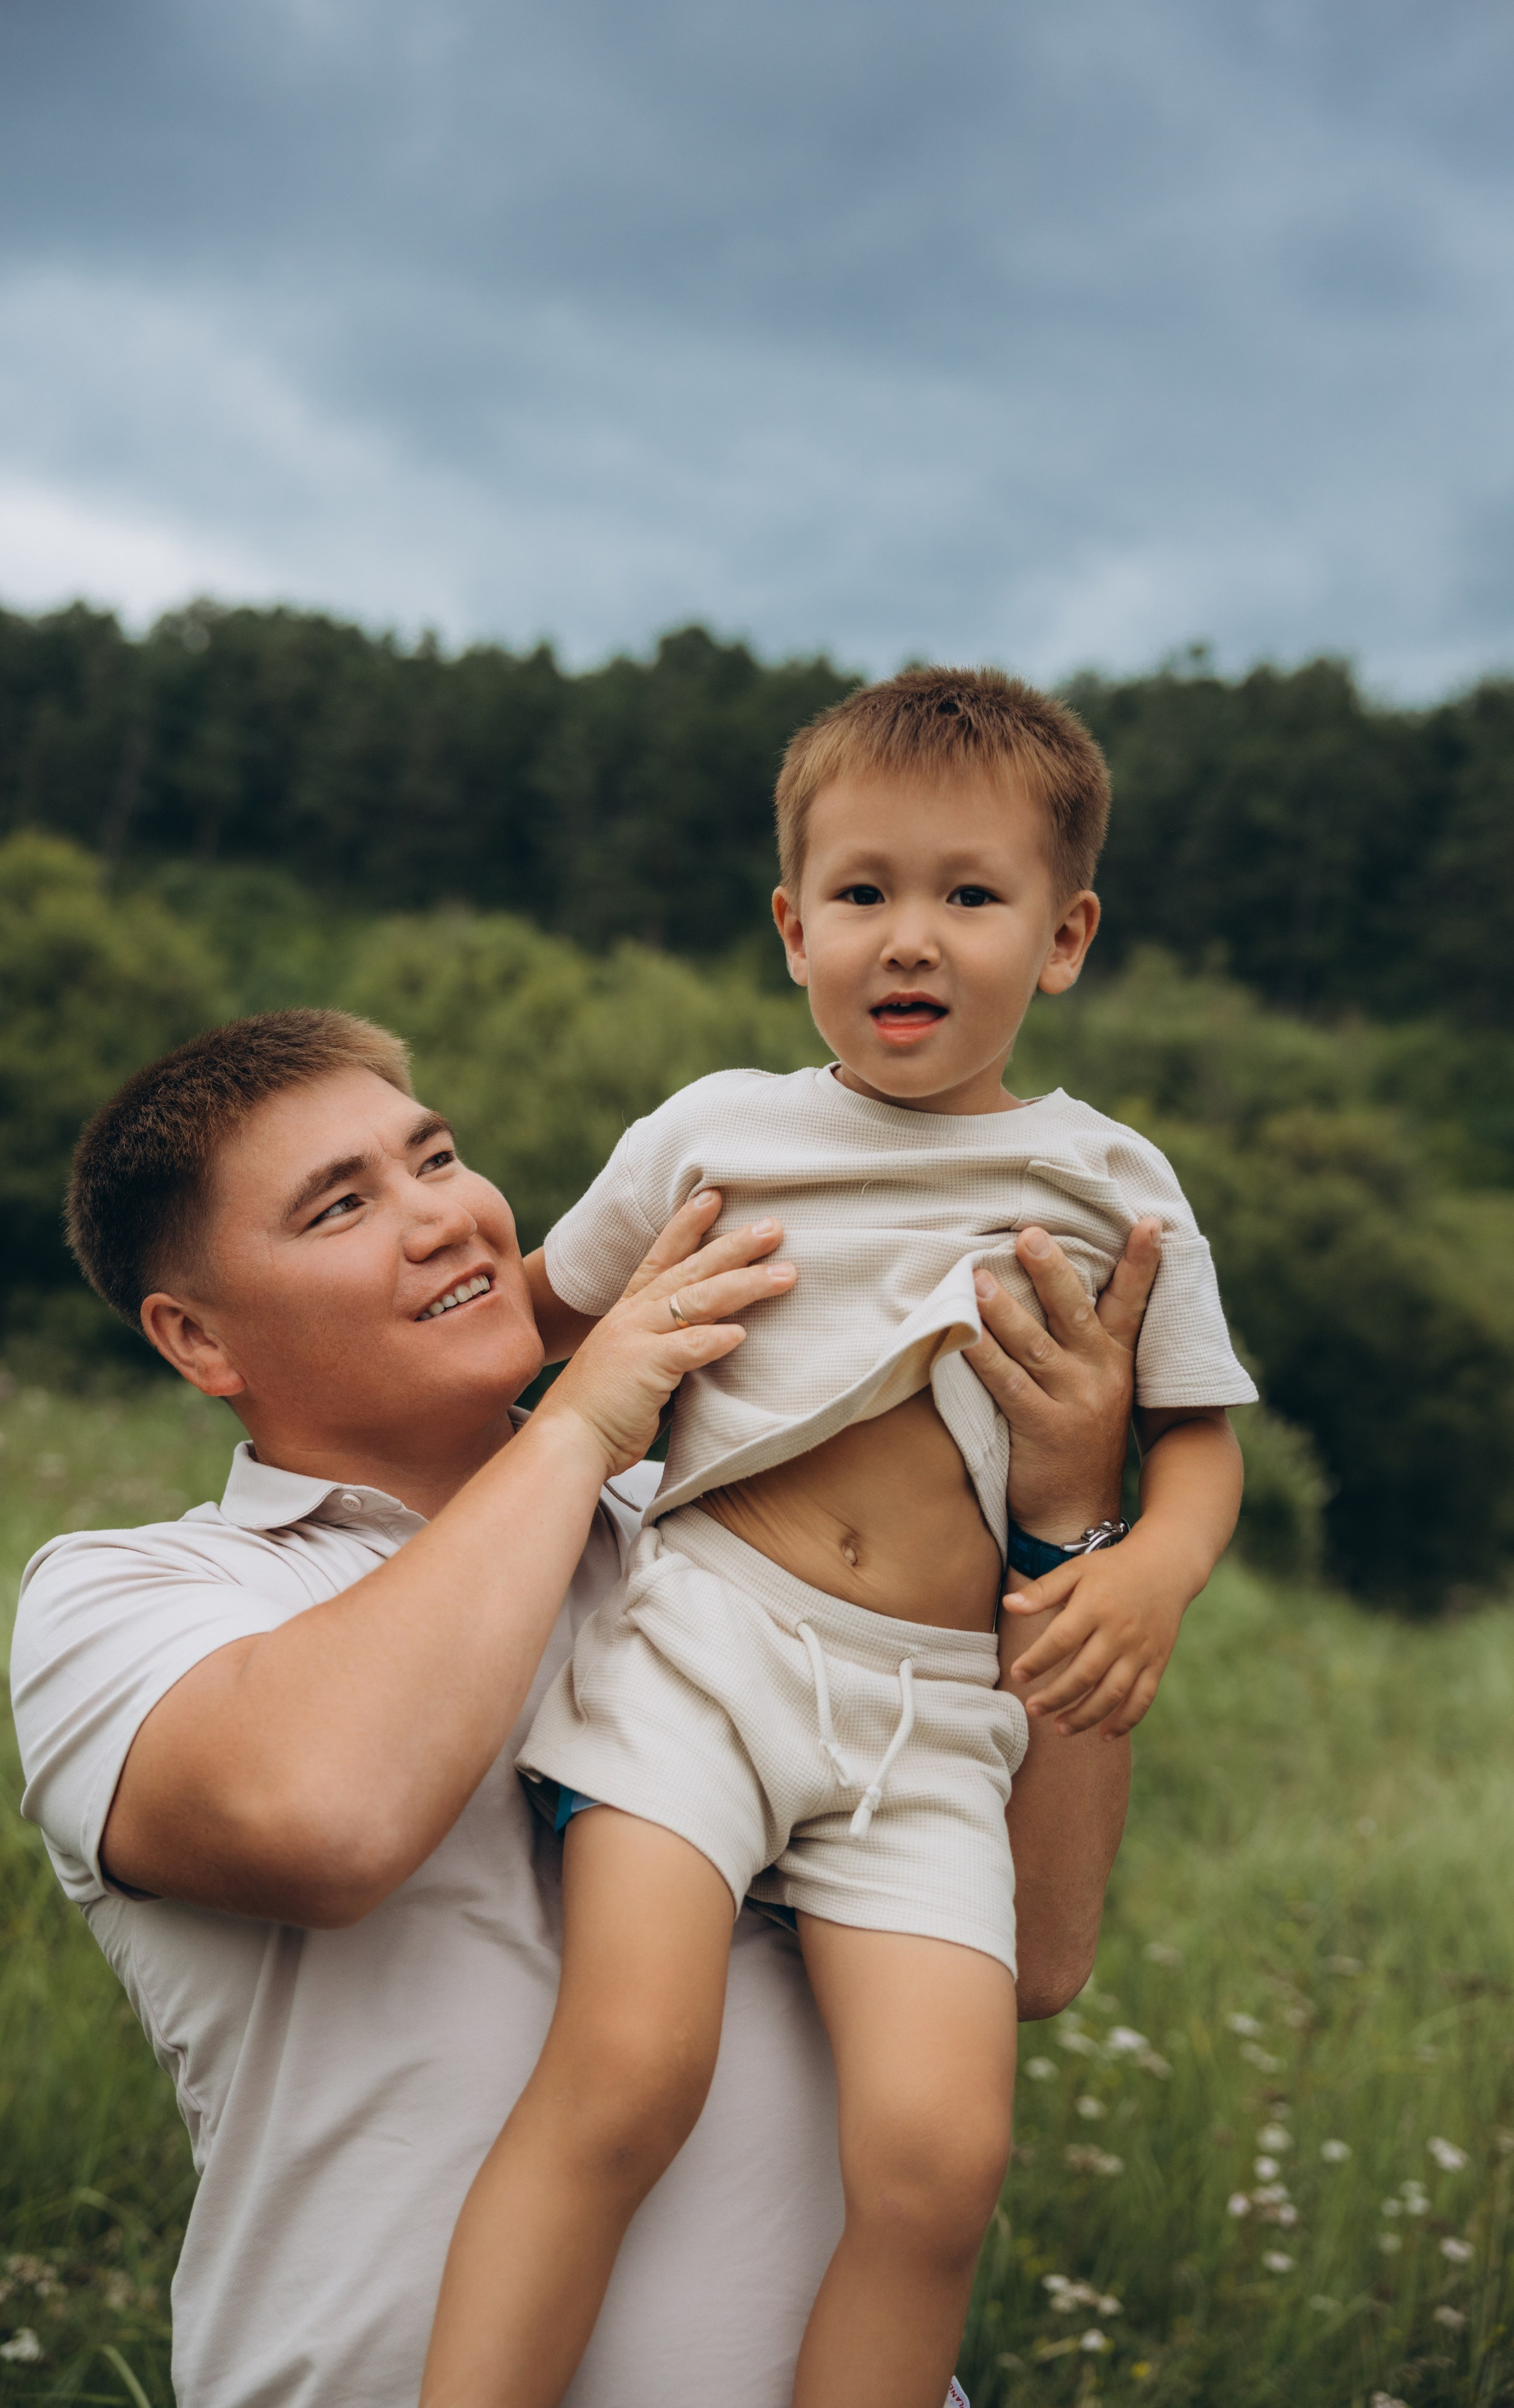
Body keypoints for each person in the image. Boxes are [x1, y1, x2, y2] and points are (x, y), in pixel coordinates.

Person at [13, 1003, 1147, 2408]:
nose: (443, 1221)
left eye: (435, 1160)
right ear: (197, 1341)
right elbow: (322, 1821)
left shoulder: (723, 1548)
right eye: (341, 1208)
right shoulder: (132, 1597)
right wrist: (577, 1425)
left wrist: (1064, 1526)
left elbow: (1031, 1949)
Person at [423, 667, 1255, 2408]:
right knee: (633, 2068)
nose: (911, 941)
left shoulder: (1114, 1183)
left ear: (1067, 935)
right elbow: (544, 1324)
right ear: (793, 926)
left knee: (940, 2171)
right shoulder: (716, 1131)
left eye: (972, 897)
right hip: (705, 1652)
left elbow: (1195, 1446)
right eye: (865, 895)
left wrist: (1155, 1568)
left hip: (939, 1718)